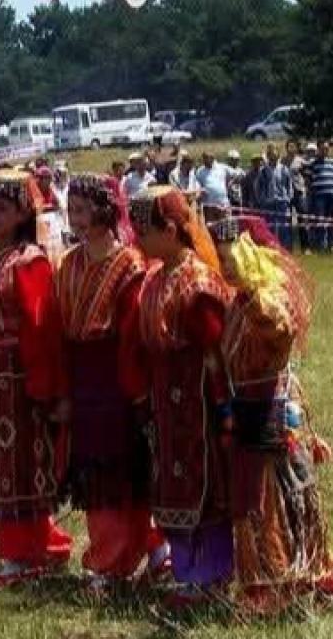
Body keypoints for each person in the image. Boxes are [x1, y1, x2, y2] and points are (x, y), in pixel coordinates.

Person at [210, 215, 333, 616]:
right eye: (221, 260)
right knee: (251, 498)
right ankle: (265, 582)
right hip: (245, 409)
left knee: (275, 496)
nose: (225, 268)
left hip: (271, 409)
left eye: (233, 259)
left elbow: (280, 329)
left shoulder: (270, 298)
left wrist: (257, 291)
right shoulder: (238, 301)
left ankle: (289, 579)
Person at [0, 169, 72, 587]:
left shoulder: (31, 261)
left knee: (25, 468)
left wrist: (47, 389)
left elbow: (42, 330)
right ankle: (27, 550)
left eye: (2, 208)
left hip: (24, 380)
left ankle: (26, 556)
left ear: (23, 212)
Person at [56, 173, 167, 596]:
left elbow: (131, 335)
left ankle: (115, 561)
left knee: (126, 472)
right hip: (84, 379)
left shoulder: (131, 265)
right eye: (71, 210)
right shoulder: (69, 263)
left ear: (105, 210)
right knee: (97, 477)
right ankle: (127, 553)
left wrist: (135, 391)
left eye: (83, 210)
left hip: (117, 379)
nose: (76, 219)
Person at [128, 185, 234, 609]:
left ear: (170, 231)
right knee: (171, 486)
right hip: (165, 402)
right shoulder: (155, 277)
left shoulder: (199, 282)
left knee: (205, 488)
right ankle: (187, 573)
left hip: (198, 403)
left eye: (145, 231)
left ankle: (212, 575)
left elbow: (215, 352)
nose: (137, 239)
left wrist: (222, 411)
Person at [256, 147, 294, 250]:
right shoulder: (263, 171)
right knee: (270, 227)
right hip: (268, 203)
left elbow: (289, 184)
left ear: (278, 157)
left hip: (282, 202)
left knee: (284, 228)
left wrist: (288, 198)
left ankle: (284, 249)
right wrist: (261, 200)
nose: (273, 159)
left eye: (275, 157)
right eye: (271, 157)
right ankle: (271, 248)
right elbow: (258, 187)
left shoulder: (284, 169)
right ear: (268, 157)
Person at [307, 145, 333, 254]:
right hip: (319, 196)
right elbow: (308, 178)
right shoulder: (313, 163)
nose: (324, 150)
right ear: (318, 150)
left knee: (331, 220)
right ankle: (322, 245)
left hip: (332, 195)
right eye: (322, 149)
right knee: (321, 221)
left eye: (326, 149)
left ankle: (332, 245)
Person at [194, 151, 241, 222]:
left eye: (207, 158)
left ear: (213, 159)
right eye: (204, 158)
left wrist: (230, 183)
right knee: (211, 227)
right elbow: (197, 185)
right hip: (209, 205)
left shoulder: (222, 167)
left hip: (223, 203)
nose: (205, 160)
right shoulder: (200, 171)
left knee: (226, 225)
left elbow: (237, 175)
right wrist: (200, 190)